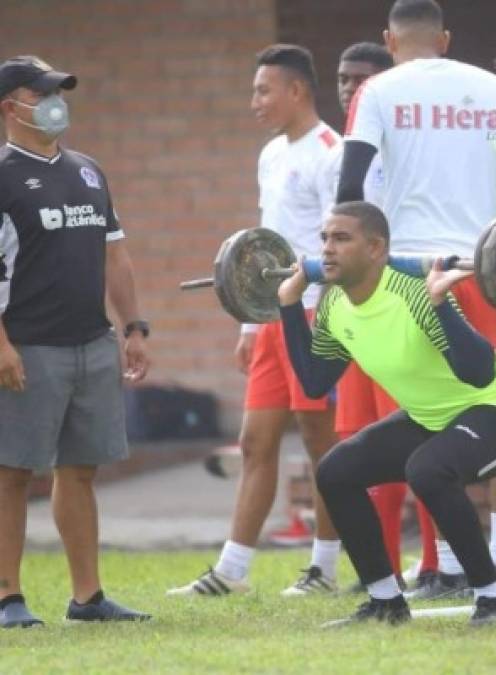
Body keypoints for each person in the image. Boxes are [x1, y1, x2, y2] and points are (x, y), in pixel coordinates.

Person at [337, 0, 496, 599]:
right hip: (480, 270)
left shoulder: (378, 90)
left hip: (410, 275)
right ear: (444, 38)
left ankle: (477, 566)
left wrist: (352, 258)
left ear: (390, 40)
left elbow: (349, 187)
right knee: (491, 409)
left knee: (432, 420)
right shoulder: (492, 88)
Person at [278, 200, 496, 626]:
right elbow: (314, 382)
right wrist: (289, 307)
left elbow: (477, 373)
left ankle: (492, 600)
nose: (327, 249)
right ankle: (386, 603)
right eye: (324, 238)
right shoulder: (333, 306)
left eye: (341, 239)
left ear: (376, 248)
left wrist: (440, 303)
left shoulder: (414, 293)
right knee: (335, 470)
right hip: (432, 416)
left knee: (428, 470)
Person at [168, 44, 342, 598]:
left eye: (263, 91)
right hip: (269, 322)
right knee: (253, 441)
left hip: (316, 316)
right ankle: (232, 571)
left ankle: (325, 568)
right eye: (252, 91)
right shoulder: (270, 155)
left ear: (296, 91)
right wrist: (248, 324)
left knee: (322, 444)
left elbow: (343, 249)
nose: (255, 102)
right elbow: (261, 248)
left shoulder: (333, 153)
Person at [0, 55, 151, 626]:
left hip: (91, 343)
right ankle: (8, 598)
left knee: (80, 469)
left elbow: (115, 251)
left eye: (57, 90)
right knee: (12, 472)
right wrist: (2, 346)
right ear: (9, 107)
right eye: (42, 93)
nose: (55, 101)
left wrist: (133, 326)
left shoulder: (88, 169)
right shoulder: (2, 175)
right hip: (27, 348)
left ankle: (87, 597)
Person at [318, 41, 440, 590]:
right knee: (356, 441)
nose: (350, 88)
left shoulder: (407, 149)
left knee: (416, 444)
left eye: (362, 78)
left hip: (393, 302)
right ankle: (383, 570)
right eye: (343, 78)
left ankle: (440, 564)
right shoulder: (335, 153)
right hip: (348, 307)